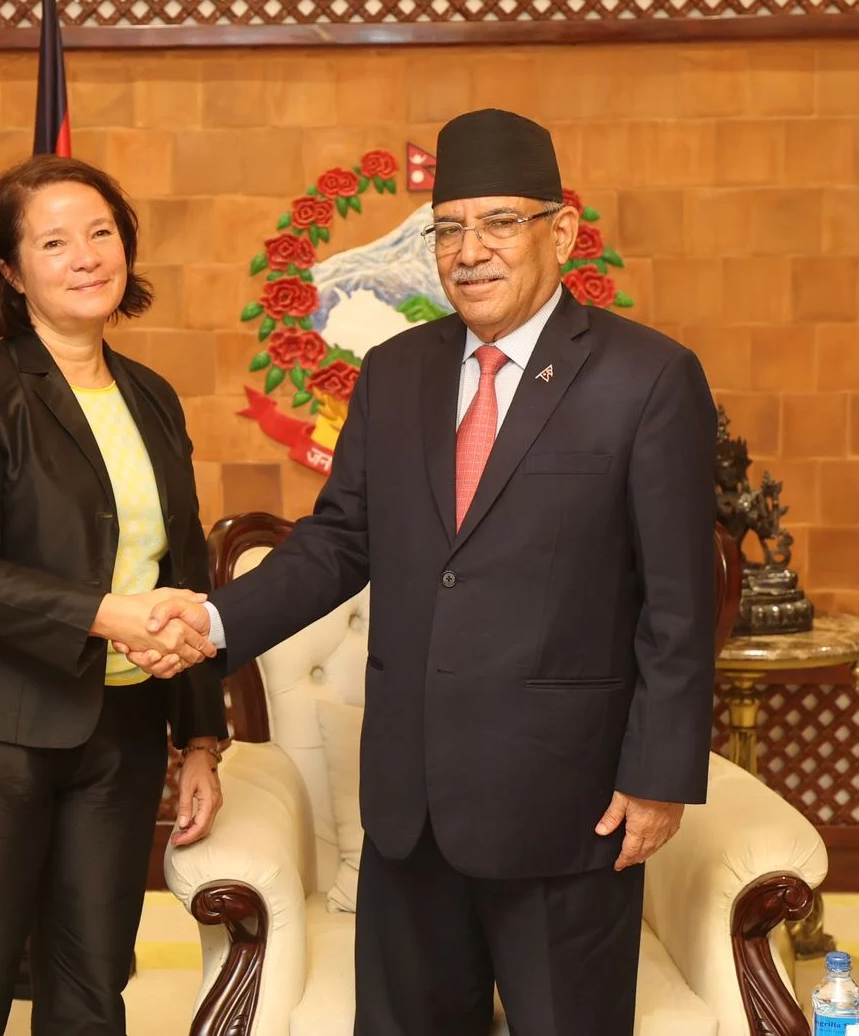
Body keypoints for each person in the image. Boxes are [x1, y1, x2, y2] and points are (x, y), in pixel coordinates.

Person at [132, 109, 718, 1035]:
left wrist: (659, 775)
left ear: (562, 231)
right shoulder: (397, 371)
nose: (469, 252)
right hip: (411, 812)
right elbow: (339, 541)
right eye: (448, 230)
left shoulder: (646, 377)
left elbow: (680, 601)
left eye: (499, 223)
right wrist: (211, 623)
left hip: (566, 809)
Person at [0, 154, 228, 1036]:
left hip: (120, 733)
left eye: (101, 233)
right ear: (10, 270)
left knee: (91, 984)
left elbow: (181, 567)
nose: (86, 257)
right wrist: (108, 615)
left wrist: (199, 739)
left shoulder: (152, 395)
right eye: (54, 242)